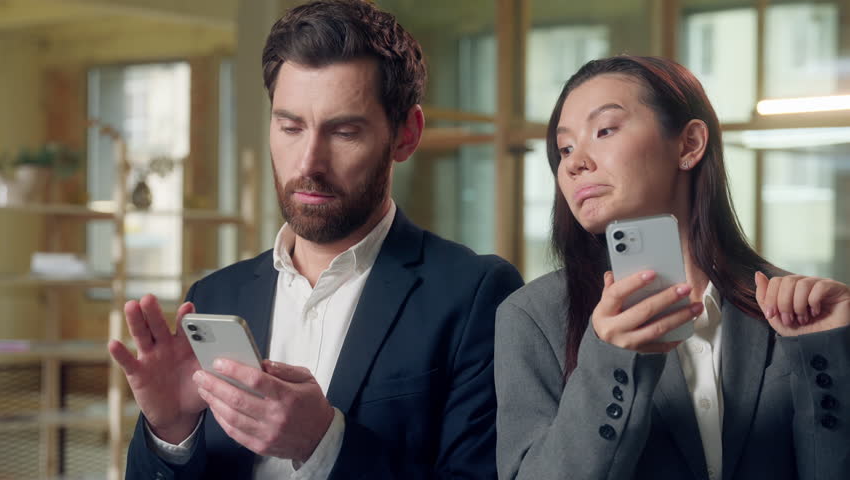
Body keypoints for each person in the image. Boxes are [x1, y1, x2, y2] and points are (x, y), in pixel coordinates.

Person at [109, 1, 523, 478]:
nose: (308, 162)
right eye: (290, 127)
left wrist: (324, 443)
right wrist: (171, 432)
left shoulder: (476, 294)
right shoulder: (213, 296)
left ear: (406, 135)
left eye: (344, 132)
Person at [494, 55, 849, 480]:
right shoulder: (532, 316)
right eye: (565, 147)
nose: (573, 163)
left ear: (689, 144)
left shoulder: (790, 306)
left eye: (604, 130)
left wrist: (827, 352)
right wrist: (613, 356)